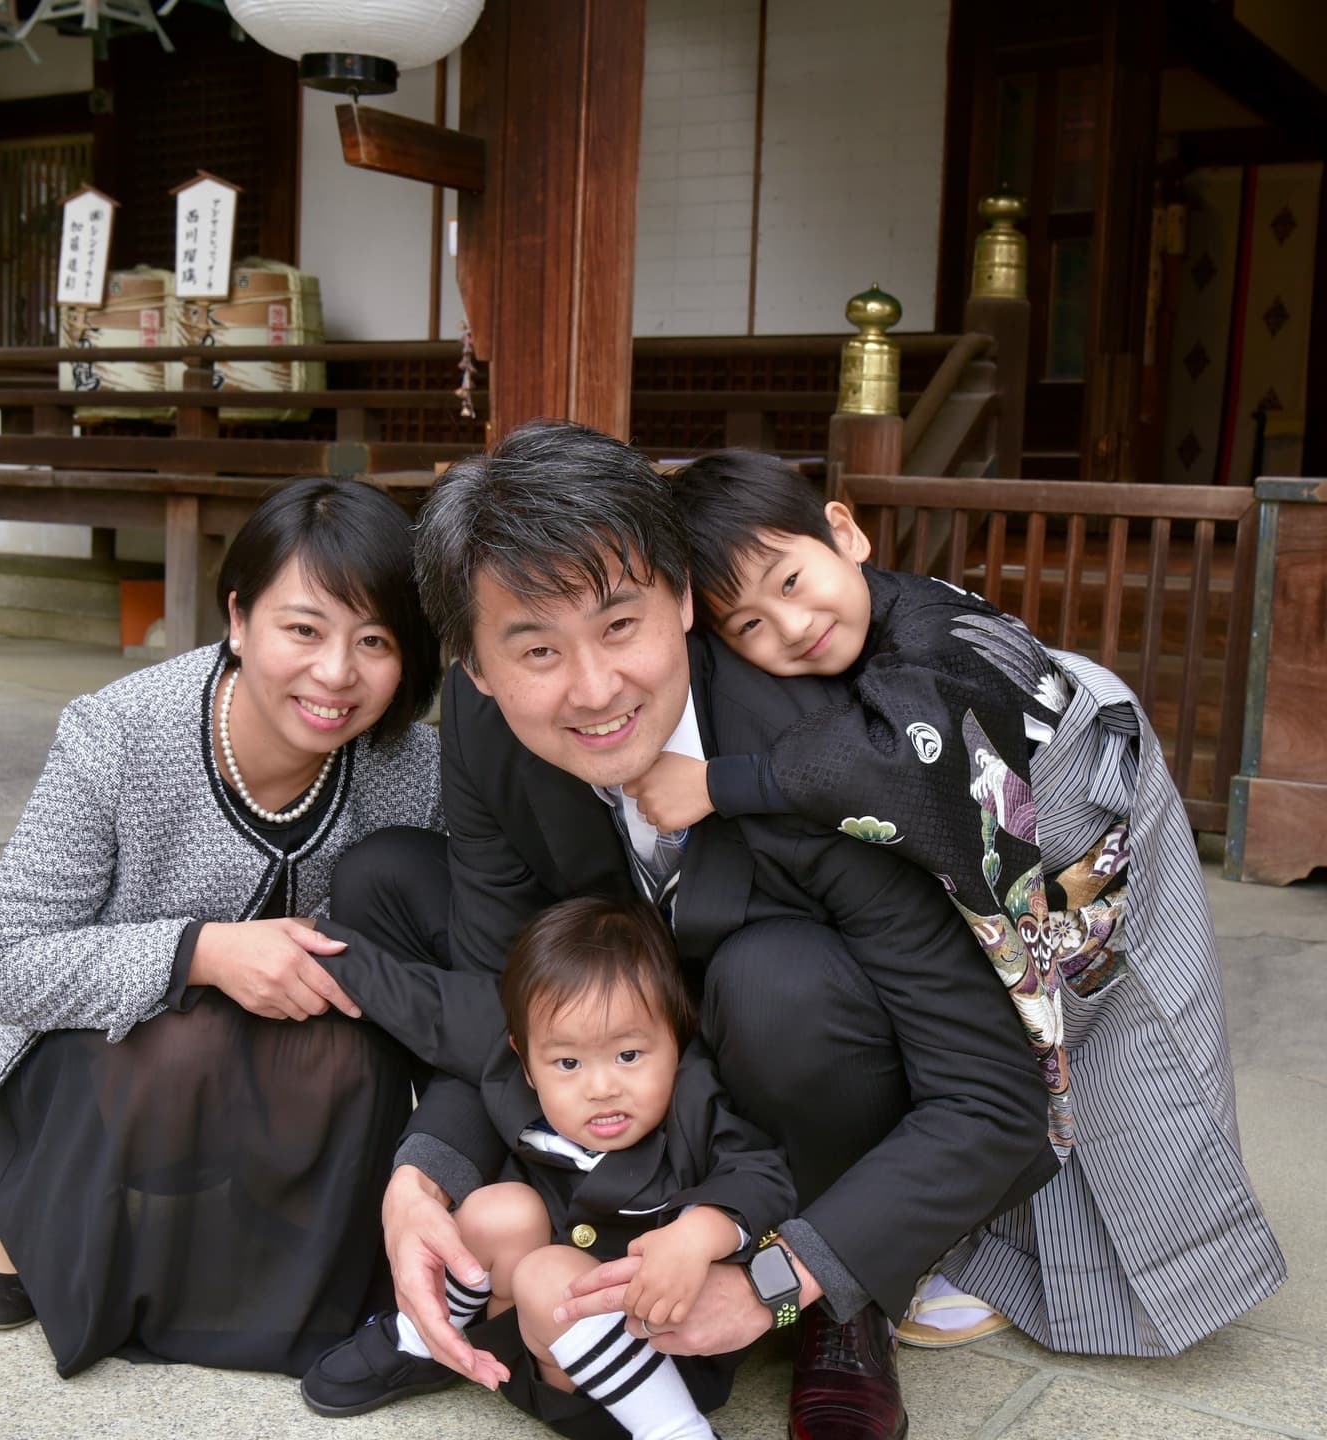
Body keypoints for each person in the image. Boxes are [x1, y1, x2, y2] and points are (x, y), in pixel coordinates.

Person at [322, 420, 1061, 1440]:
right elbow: (500, 987)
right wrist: (426, 1172)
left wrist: (775, 1280)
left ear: (679, 597)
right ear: (479, 667)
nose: (593, 690)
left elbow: (992, 1099)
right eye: (536, 648)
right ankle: (494, 1249)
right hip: (628, 1030)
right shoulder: (484, 720)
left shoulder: (819, 751)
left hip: (792, 1039)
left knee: (775, 986)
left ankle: (848, 1312)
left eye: (620, 625)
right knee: (383, 881)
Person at [623, 449, 1285, 1355]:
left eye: (792, 579)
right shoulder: (865, 631)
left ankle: (1140, 1276)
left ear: (845, 532)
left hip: (1085, 832)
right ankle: (999, 1254)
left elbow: (908, 759)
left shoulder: (933, 623)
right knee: (1023, 1055)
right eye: (749, 624)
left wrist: (721, 783)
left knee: (1121, 1057)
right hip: (1008, 859)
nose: (793, 624)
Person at [0, 476, 444, 1378]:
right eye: (303, 629)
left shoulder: (415, 766)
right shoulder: (118, 734)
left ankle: (236, 1263)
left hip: (278, 1049)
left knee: (358, 1052)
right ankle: (42, 1219)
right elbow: (0, 964)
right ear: (239, 618)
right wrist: (201, 951)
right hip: (98, 1048)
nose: (337, 674)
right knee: (171, 1048)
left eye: (374, 640)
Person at [300, 896, 795, 1439]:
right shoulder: (511, 1077)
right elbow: (422, 1003)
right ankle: (423, 1339)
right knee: (496, 1211)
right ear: (527, 1060)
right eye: (568, 1063)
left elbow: (762, 1176)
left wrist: (700, 1235)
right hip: (525, 1360)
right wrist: (309, 947)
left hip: (652, 1364)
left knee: (546, 1274)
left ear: (676, 1036)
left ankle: (678, 1432)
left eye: (629, 1055)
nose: (602, 1087)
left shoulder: (696, 1101)